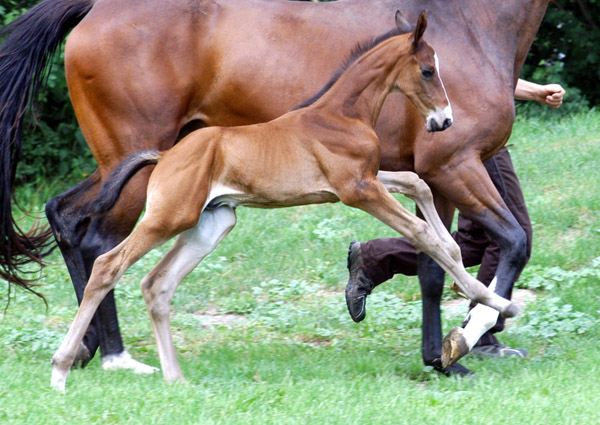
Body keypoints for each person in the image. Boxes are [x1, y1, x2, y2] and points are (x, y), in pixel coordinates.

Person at [345, 79, 566, 357]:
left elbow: (479, 69)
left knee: (474, 243)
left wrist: (533, 91)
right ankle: (480, 335)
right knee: (510, 235)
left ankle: (375, 258)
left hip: (467, 129)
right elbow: (464, 70)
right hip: (469, 133)